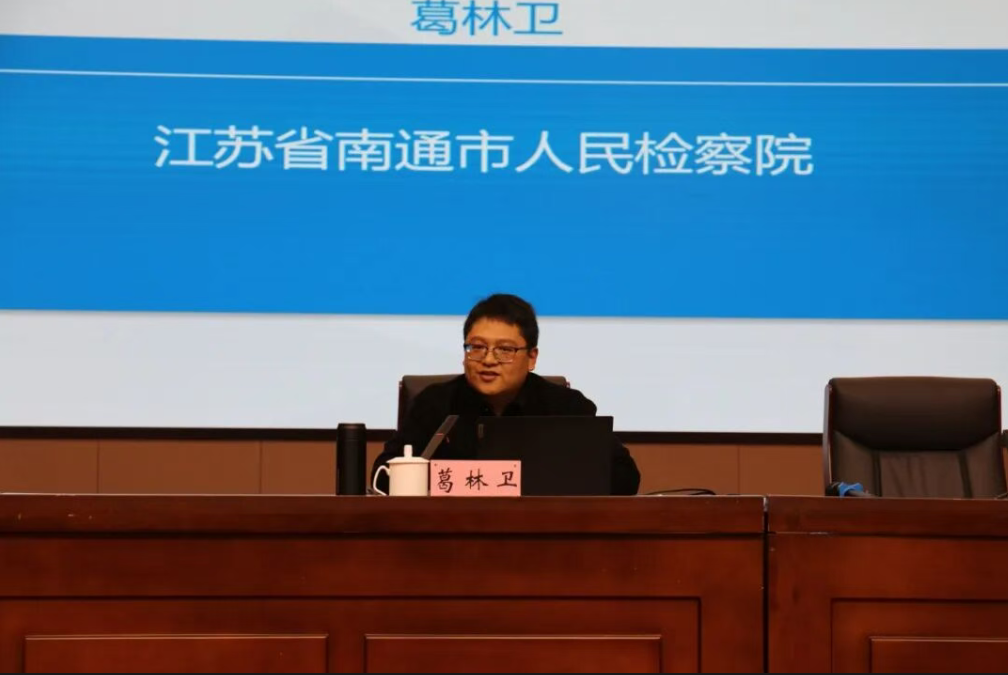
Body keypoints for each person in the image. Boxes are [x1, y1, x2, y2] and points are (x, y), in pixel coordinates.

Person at [371, 293, 641, 495]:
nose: (488, 360)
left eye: (504, 350)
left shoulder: (566, 407)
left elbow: (624, 478)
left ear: (532, 357)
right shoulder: (435, 404)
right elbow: (382, 478)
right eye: (477, 347)